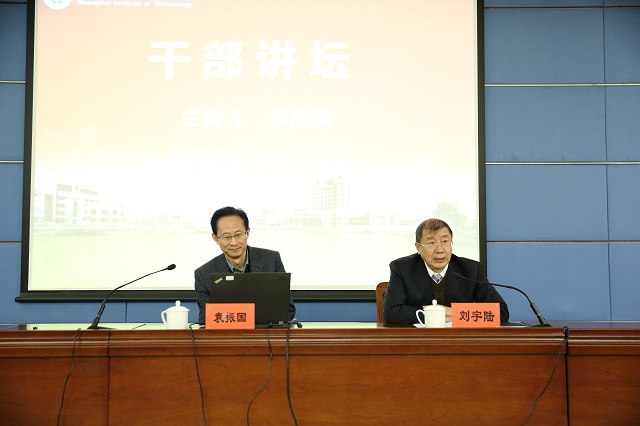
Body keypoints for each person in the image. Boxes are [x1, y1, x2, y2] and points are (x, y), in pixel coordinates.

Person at [383, 218, 509, 324]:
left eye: (445, 242)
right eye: (431, 243)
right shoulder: (402, 268)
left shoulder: (470, 270)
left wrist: (456, 314)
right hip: (419, 342)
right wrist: (435, 315)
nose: (440, 250)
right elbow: (391, 313)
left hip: (460, 342)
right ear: (418, 247)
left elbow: (501, 312)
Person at [194, 206, 296, 324]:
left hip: (266, 333)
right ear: (216, 238)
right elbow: (206, 321)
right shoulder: (204, 274)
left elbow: (287, 310)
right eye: (226, 237)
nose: (234, 242)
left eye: (238, 235)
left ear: (247, 232)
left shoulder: (272, 260)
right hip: (227, 335)